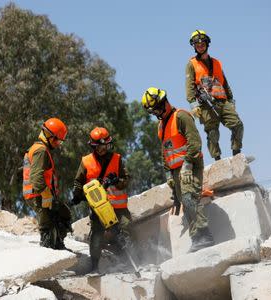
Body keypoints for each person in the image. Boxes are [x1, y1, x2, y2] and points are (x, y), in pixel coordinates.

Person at [142, 87, 214, 252]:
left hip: (191, 164)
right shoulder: (161, 126)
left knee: (189, 198)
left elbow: (195, 143)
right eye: (153, 111)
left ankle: (204, 235)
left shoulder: (181, 116)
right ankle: (197, 238)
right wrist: (168, 173)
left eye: (157, 108)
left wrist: (187, 165)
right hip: (175, 171)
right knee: (184, 202)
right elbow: (165, 152)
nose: (157, 113)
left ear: (164, 101)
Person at [71, 127, 132, 271]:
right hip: (98, 208)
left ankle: (127, 264)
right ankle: (95, 267)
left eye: (104, 146)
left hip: (118, 207)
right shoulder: (86, 161)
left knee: (125, 230)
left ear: (108, 144)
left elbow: (127, 179)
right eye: (98, 146)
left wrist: (117, 180)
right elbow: (78, 182)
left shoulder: (117, 159)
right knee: (97, 235)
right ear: (93, 146)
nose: (101, 149)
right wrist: (77, 195)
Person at [186, 29, 244, 160]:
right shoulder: (191, 65)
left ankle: (236, 153)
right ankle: (217, 160)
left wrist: (231, 100)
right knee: (212, 133)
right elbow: (189, 86)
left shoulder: (217, 62)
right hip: (206, 104)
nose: (200, 46)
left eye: (202, 43)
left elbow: (225, 82)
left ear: (207, 43)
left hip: (223, 102)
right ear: (194, 46)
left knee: (238, 124)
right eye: (197, 44)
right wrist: (193, 104)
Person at [23, 118, 72, 249]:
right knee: (48, 227)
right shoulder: (41, 150)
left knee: (62, 216)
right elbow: (36, 177)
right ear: (49, 136)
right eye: (57, 140)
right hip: (40, 195)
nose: (58, 144)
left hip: (40, 195)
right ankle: (50, 250)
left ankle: (57, 246)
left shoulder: (37, 148)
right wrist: (46, 195)